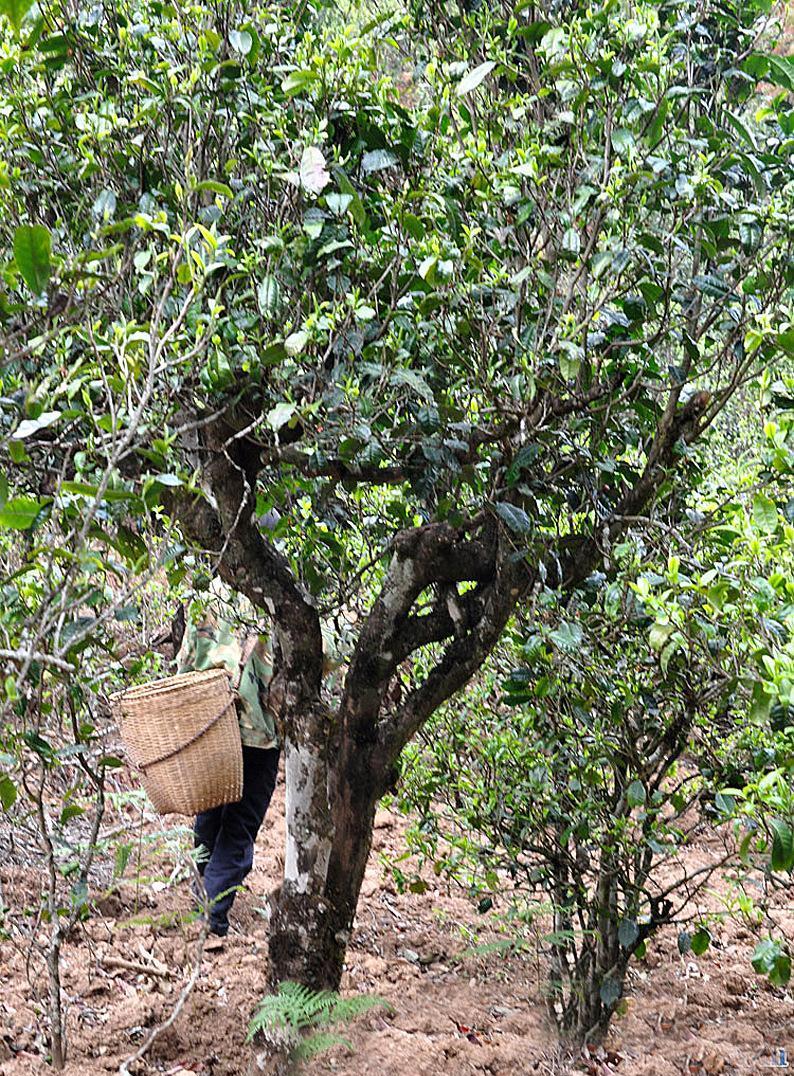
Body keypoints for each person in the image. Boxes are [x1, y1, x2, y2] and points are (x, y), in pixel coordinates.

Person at [176, 607, 280, 938]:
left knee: (210, 811)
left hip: (211, 722)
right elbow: (327, 657)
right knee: (239, 825)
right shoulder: (281, 607)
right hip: (257, 734)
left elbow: (185, 662)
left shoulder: (210, 599)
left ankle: (203, 898)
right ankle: (210, 915)